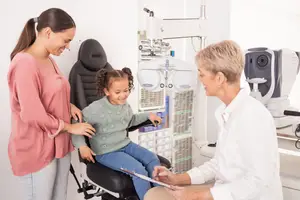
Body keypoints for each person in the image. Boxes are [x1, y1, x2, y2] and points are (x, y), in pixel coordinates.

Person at [144, 40, 283, 200]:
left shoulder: (253, 116)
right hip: (226, 190)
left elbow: (258, 181)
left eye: (202, 74)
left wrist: (198, 196)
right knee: (155, 195)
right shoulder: (227, 112)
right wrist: (177, 178)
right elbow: (219, 164)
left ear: (219, 78)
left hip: (250, 196)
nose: (200, 79)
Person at [7, 8, 95, 200]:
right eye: (66, 40)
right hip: (36, 148)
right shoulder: (24, 63)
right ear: (48, 32)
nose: (68, 46)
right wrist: (71, 127)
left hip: (59, 145)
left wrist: (67, 106)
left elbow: (50, 93)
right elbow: (32, 114)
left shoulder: (49, 60)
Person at [71, 67, 163, 200]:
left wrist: (148, 116)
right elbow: (76, 123)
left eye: (126, 90)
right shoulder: (96, 109)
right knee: (139, 171)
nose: (123, 95)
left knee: (152, 159)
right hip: (106, 152)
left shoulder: (124, 105)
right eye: (118, 92)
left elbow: (130, 121)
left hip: (125, 145)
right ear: (107, 91)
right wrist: (82, 146)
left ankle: (161, 196)